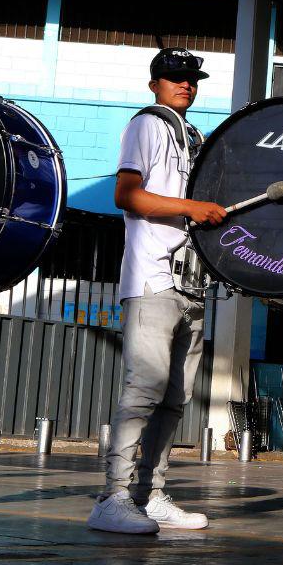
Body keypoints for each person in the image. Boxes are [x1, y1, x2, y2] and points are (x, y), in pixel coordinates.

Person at [87, 48, 226, 535]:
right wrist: (191, 206)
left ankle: (151, 493)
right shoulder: (147, 124)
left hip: (191, 283)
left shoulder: (193, 135)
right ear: (155, 84)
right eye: (174, 77)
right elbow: (126, 194)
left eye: (191, 78)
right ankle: (114, 496)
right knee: (143, 391)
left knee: (174, 398)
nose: (184, 84)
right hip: (152, 278)